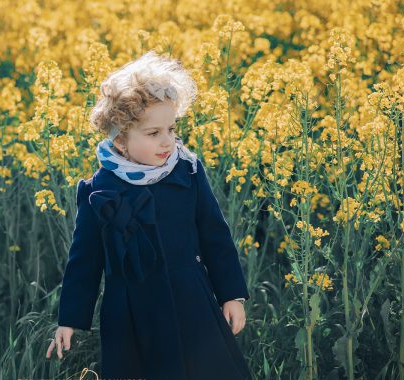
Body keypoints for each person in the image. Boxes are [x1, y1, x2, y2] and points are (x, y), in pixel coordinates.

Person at [45, 50, 252, 379]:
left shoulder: (188, 172)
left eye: (171, 129)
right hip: (130, 314)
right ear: (122, 139)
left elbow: (215, 235)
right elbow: (84, 260)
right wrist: (70, 319)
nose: (167, 141)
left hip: (191, 300)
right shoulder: (99, 190)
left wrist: (231, 295)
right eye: (153, 133)